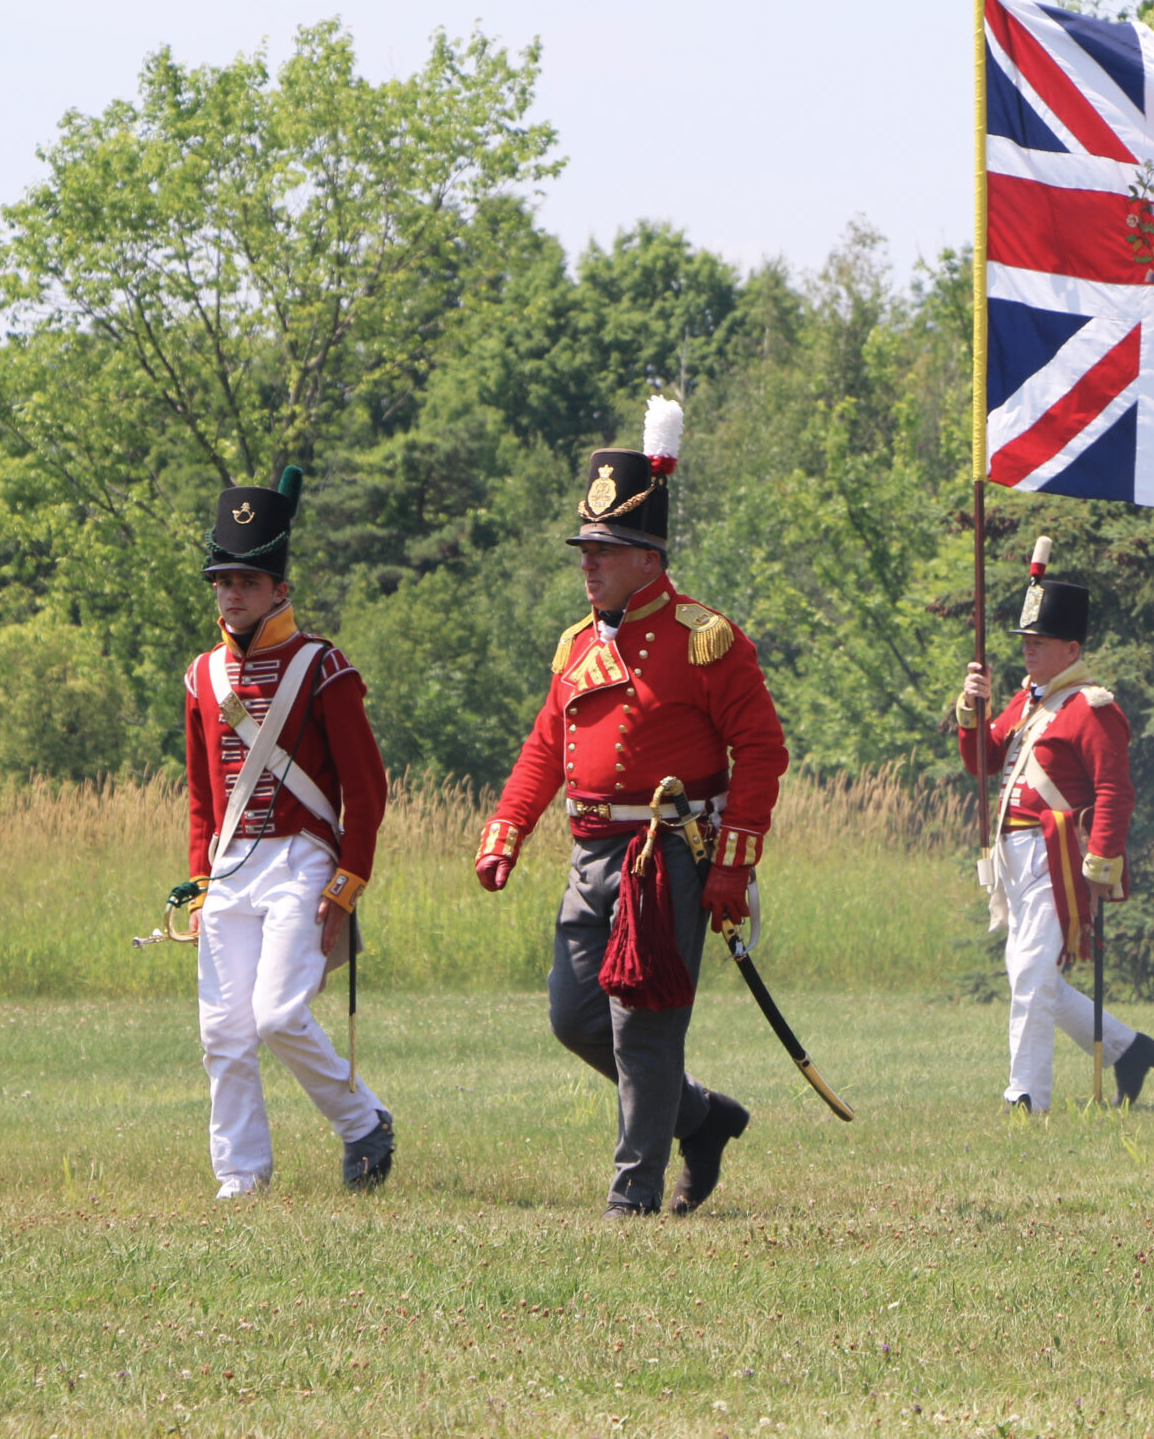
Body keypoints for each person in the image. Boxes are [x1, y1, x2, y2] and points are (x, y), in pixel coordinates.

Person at [473, 401, 790, 1217]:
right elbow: (546, 745)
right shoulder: (578, 644)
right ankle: (702, 1117)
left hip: (668, 856)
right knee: (576, 1016)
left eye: (605, 550)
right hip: (589, 857)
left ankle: (633, 1198)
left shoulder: (706, 638)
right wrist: (508, 828)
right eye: (586, 548)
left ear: (648, 557)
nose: (589, 563)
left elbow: (760, 751)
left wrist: (733, 860)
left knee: (642, 1029)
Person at [182, 467, 395, 1197]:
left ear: (279, 587)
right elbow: (203, 801)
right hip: (230, 865)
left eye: (247, 579)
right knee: (224, 1032)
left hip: (304, 860)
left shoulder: (322, 666)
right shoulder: (202, 678)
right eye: (223, 580)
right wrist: (201, 879)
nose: (232, 593)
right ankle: (241, 1176)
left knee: (275, 1013)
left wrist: (347, 881)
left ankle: (362, 1119)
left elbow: (367, 790)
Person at [957, 574, 1154, 1114]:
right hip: (1014, 858)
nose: (1028, 649)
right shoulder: (1026, 703)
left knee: (1029, 975)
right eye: (1026, 640)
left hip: (1060, 858)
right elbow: (983, 763)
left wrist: (1100, 865)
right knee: (1033, 976)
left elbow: (1114, 790)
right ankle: (1128, 1048)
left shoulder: (1091, 707)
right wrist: (971, 711)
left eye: (1039, 641)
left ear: (1070, 649)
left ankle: (1026, 1097)